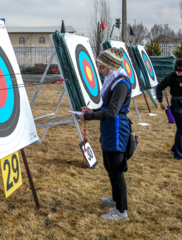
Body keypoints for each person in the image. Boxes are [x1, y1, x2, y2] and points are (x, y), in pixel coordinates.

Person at [77, 48, 131, 220]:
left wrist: (88, 116)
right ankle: (115, 199)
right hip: (109, 128)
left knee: (116, 170)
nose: (99, 71)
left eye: (101, 67)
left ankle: (121, 211)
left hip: (116, 130)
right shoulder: (112, 79)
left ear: (111, 66)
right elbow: (107, 108)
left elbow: (113, 111)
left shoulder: (121, 84)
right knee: (110, 167)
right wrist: (93, 110)